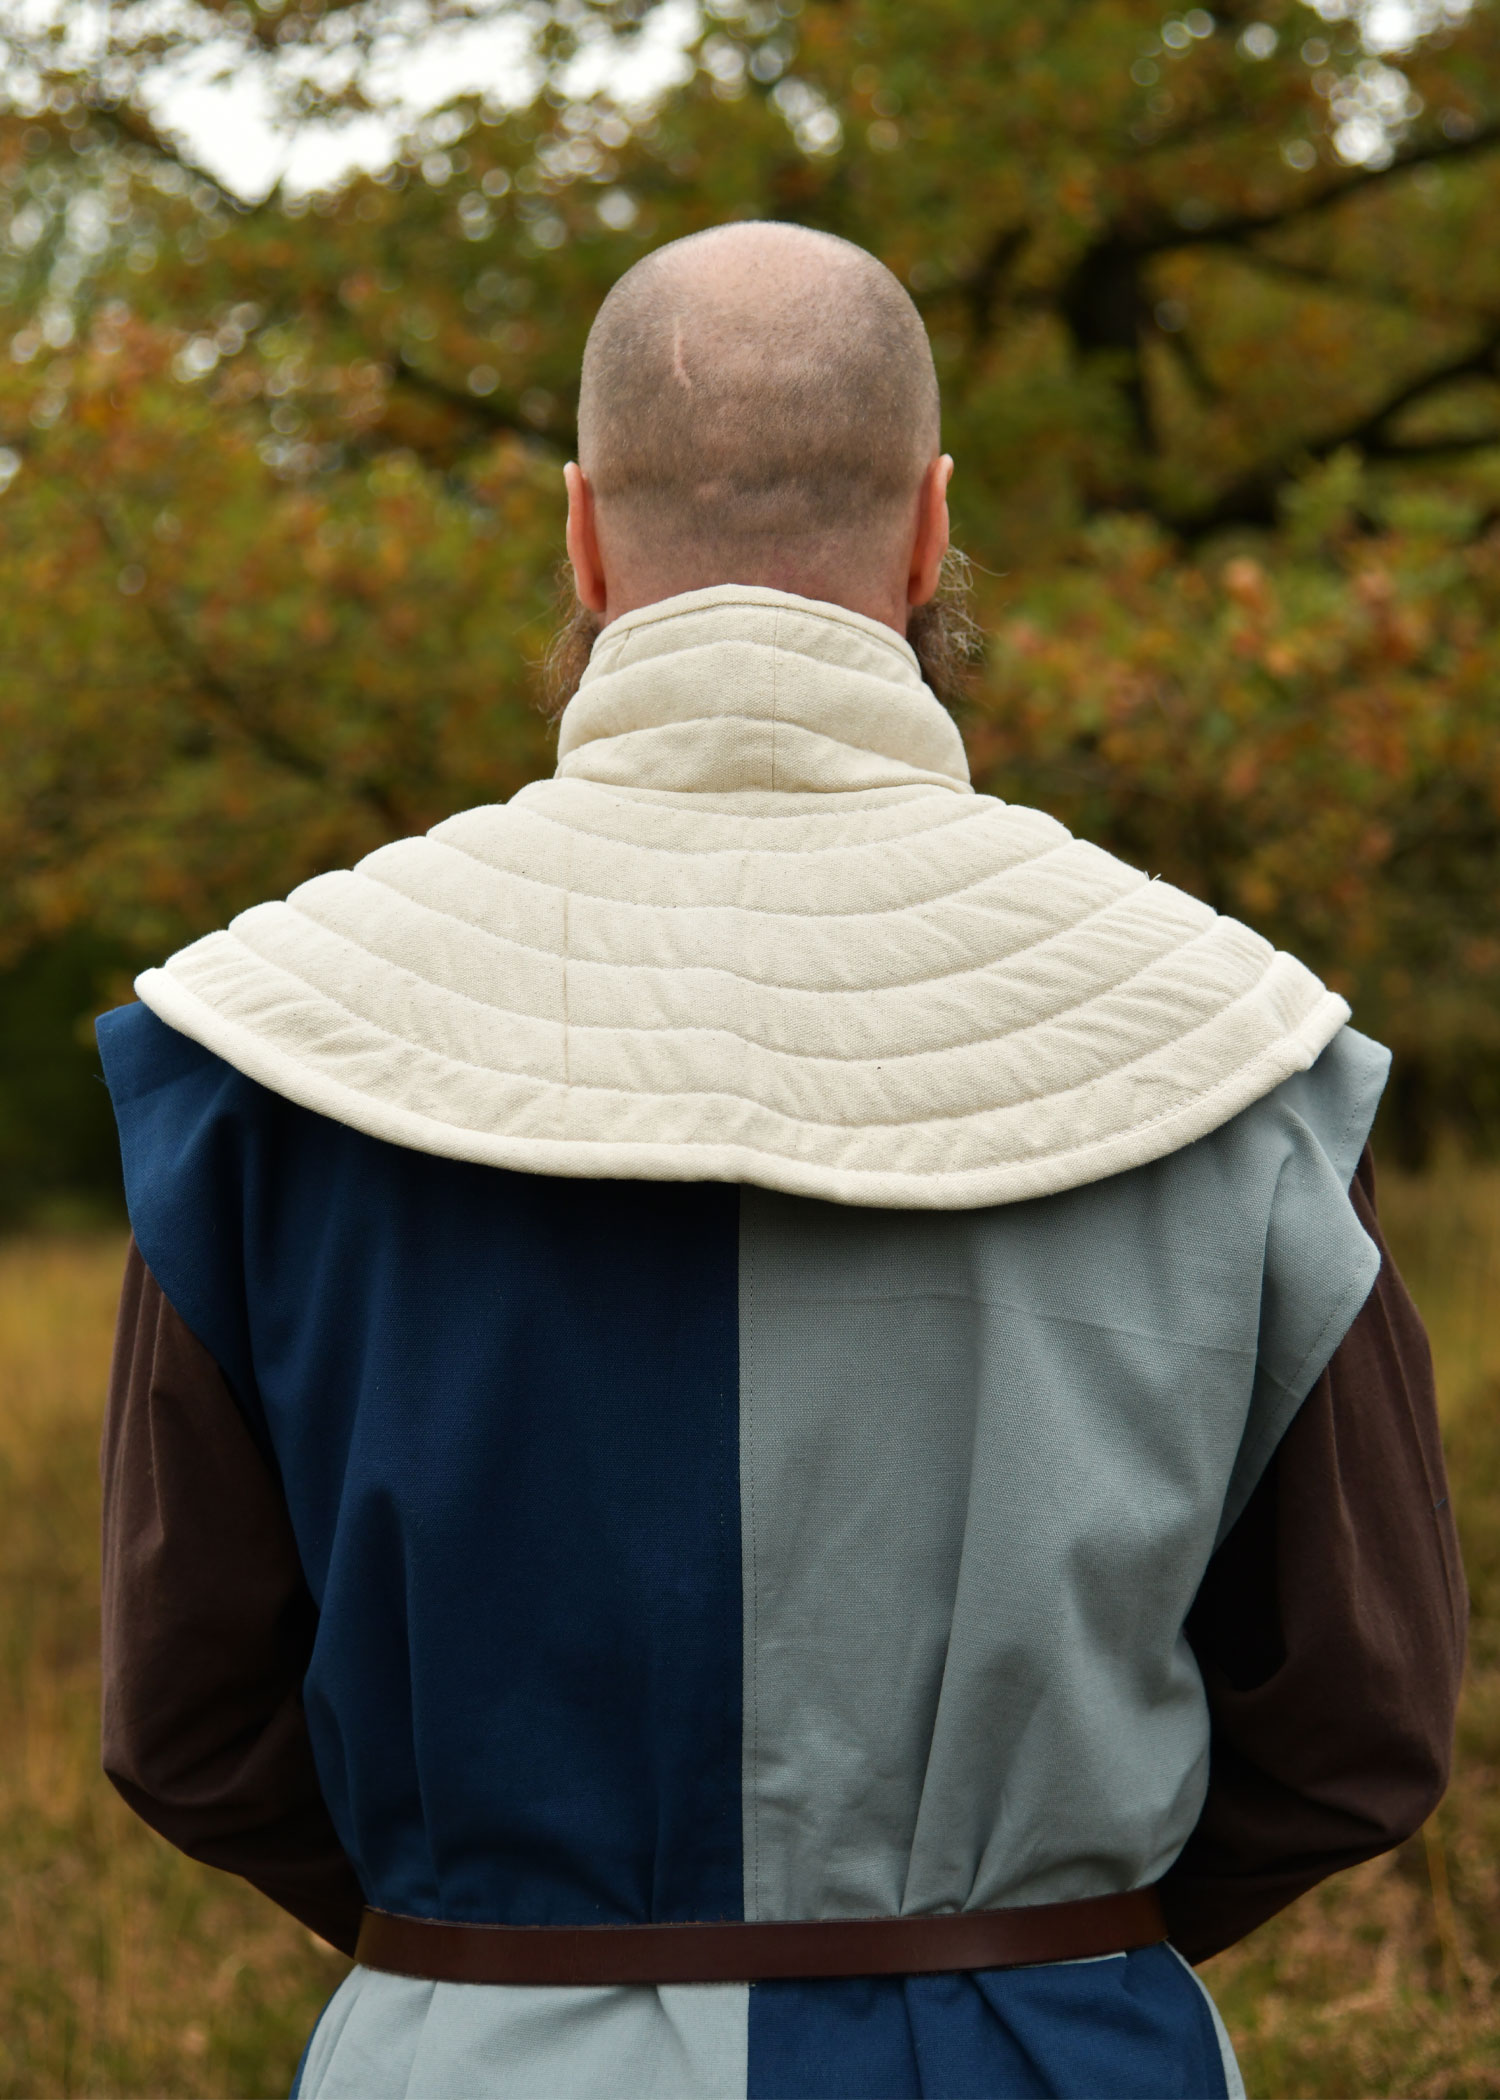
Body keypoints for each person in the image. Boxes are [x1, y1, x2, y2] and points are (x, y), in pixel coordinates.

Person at [96, 222, 1465, 2100]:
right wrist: (1020, 1941)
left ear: (580, 536)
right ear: (929, 531)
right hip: (1055, 2049)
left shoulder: (262, 1054)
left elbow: (185, 1724)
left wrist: (506, 1956)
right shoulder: (1241, 1055)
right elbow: (1360, 1729)